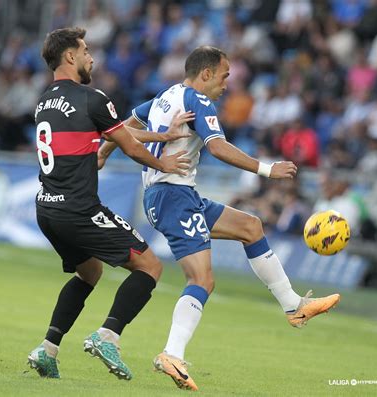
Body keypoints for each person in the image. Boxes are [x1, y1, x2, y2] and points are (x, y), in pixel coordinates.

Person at [99, 46, 341, 391]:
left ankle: (294, 306)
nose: (228, 83)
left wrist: (102, 153)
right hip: (173, 196)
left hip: (177, 195)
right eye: (225, 75)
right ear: (207, 73)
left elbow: (124, 126)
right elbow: (217, 146)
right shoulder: (198, 100)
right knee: (202, 280)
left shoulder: (167, 95)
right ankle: (171, 354)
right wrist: (267, 169)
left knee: (250, 226)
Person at [27, 27, 193, 381]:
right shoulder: (93, 98)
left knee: (90, 272)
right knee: (150, 266)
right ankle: (108, 336)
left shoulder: (43, 101)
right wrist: (164, 162)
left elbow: (115, 132)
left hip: (46, 208)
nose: (91, 57)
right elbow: (129, 145)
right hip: (78, 209)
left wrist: (163, 134)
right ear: (70, 56)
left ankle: (48, 348)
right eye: (85, 50)